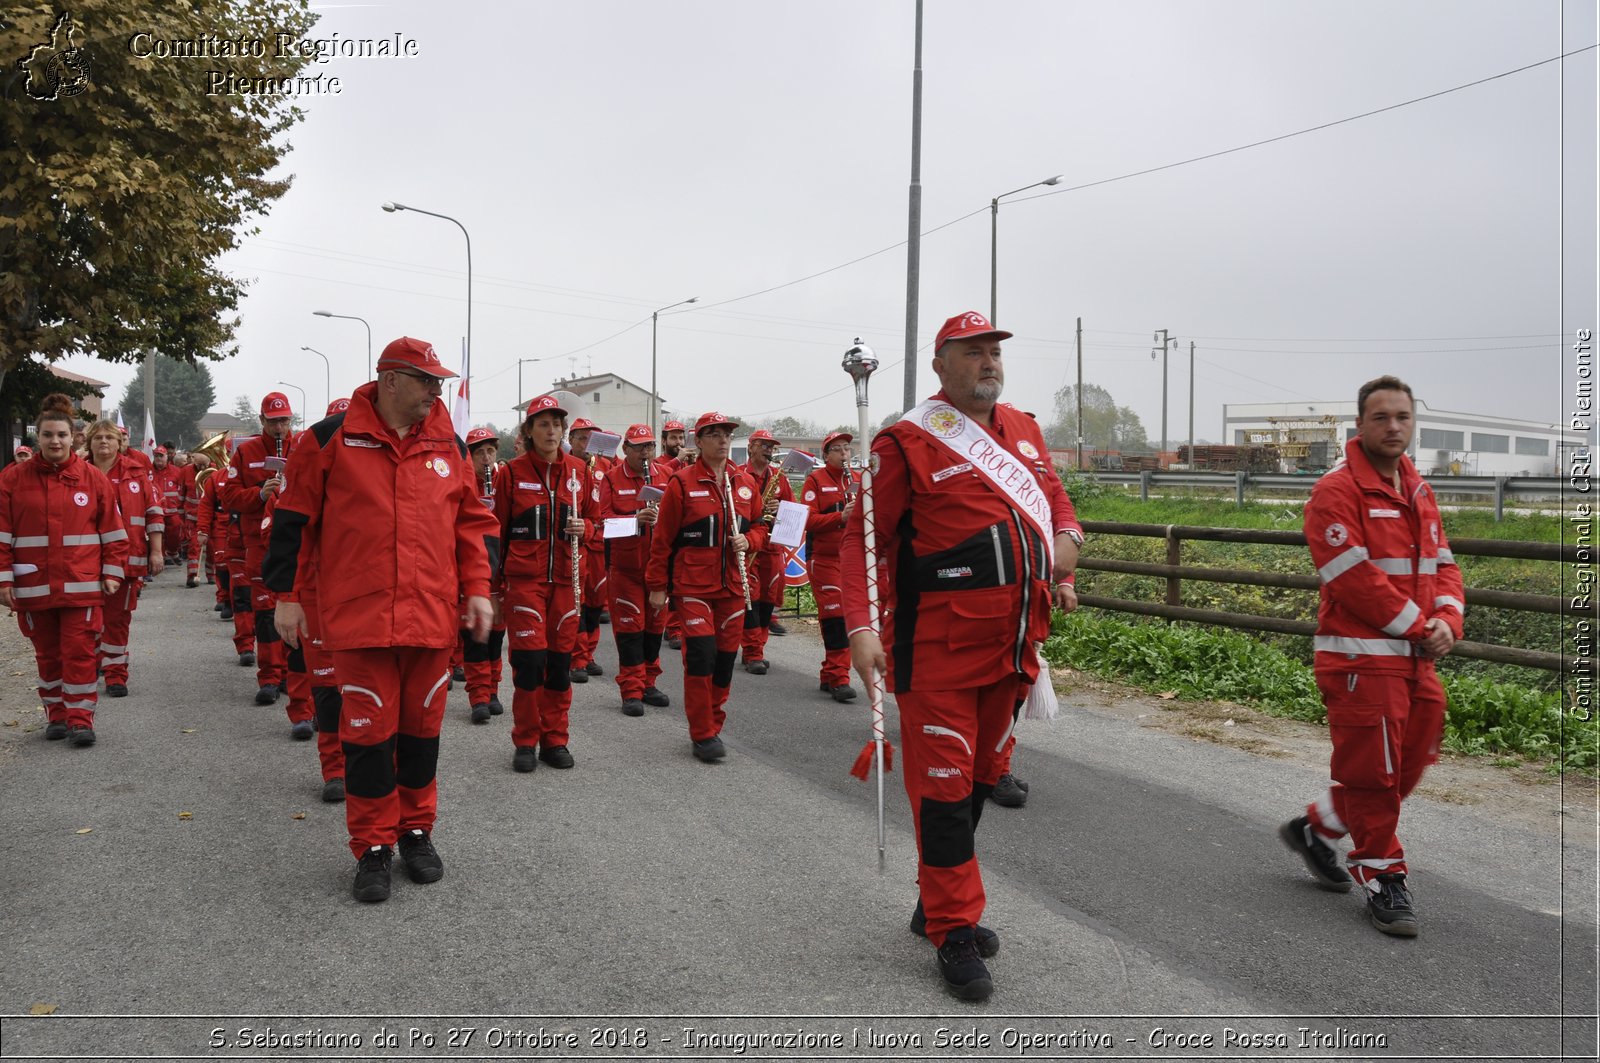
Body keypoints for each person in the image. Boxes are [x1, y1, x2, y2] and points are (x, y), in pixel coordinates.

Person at [842, 311, 1082, 1001]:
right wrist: (860, 627)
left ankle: (935, 897)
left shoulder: (1027, 431)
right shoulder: (905, 441)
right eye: (973, 352)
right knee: (945, 793)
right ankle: (953, 927)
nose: (988, 362)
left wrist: (1067, 552)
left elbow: (1058, 507)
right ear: (941, 364)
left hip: (1013, 647)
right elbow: (857, 543)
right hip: (936, 650)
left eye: (994, 352)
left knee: (978, 782)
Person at [267, 337, 498, 902]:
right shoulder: (328, 440)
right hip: (360, 619)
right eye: (425, 380)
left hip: (430, 618)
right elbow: (292, 521)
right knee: (368, 737)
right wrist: (287, 596)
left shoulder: (452, 446)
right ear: (390, 379)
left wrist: (478, 590)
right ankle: (372, 847)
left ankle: (417, 832)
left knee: (421, 734)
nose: (435, 390)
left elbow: (473, 525)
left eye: (438, 381)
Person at [1279, 375, 1464, 938]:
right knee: (1377, 775)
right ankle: (1383, 875)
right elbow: (1355, 579)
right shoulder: (1337, 492)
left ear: (1413, 422)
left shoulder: (1418, 490)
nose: (1393, 427)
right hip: (1362, 662)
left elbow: (1446, 566)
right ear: (1359, 424)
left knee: (1415, 753)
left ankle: (1320, 826)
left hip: (1415, 659)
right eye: (1381, 417)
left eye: (1402, 417)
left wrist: (1449, 620)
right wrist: (1417, 625)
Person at [0, 395, 130, 747]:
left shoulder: (93, 479)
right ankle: (55, 716)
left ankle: (80, 719)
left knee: (80, 653)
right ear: (37, 438)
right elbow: (2, 534)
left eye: (61, 435)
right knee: (47, 654)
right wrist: (3, 578)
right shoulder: (12, 479)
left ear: (73, 437)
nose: (54, 441)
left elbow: (115, 533)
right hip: (33, 587)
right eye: (47, 435)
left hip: (81, 587)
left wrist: (113, 573)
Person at [646, 412, 766, 763]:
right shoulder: (682, 483)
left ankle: (713, 723)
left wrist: (749, 538)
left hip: (731, 587)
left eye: (726, 434)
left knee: (726, 661)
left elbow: (760, 525)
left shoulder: (743, 482)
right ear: (698, 441)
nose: (723, 440)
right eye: (713, 434)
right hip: (692, 586)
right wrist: (657, 586)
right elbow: (662, 541)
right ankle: (701, 732)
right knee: (701, 656)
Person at [493, 394, 597, 774]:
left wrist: (585, 528)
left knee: (558, 665)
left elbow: (596, 523)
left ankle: (555, 739)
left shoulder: (580, 472)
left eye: (556, 424)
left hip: (567, 584)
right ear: (529, 431)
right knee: (529, 662)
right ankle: (524, 739)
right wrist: (493, 589)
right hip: (525, 583)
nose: (551, 431)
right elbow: (497, 533)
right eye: (543, 424)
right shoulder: (512, 473)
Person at [217, 393, 297, 704]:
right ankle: (269, 677)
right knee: (265, 612)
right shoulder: (246, 451)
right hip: (257, 541)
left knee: (294, 611)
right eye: (274, 420)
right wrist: (260, 495)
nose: (280, 427)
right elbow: (230, 498)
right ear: (262, 421)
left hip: (293, 542)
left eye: (285, 420)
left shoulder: (303, 447)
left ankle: (293, 676)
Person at [596, 423, 671, 716]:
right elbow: (603, 522)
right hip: (625, 569)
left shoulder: (665, 476)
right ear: (625, 449)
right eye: (639, 447)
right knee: (630, 631)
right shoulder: (612, 479)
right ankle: (631, 689)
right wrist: (634, 518)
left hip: (658, 569)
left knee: (654, 630)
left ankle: (648, 683)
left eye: (649, 446)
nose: (645, 453)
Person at [84, 420, 163, 697]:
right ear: (89, 442)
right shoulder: (77, 471)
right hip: (84, 560)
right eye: (98, 437)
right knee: (87, 619)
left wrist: (155, 551)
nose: (104, 441)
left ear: (120, 443)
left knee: (117, 619)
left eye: (110, 437)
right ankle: (90, 667)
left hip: (128, 559)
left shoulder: (137, 472)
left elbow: (153, 512)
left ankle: (116, 674)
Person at [801, 431, 861, 701]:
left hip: (852, 559)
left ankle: (829, 673)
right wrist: (840, 516)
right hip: (823, 559)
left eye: (847, 448)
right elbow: (808, 521)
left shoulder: (860, 480)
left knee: (846, 616)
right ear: (826, 455)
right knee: (837, 616)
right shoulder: (815, 480)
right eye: (837, 449)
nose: (844, 453)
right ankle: (839, 677)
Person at [738, 428, 794, 674]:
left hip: (773, 546)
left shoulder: (779, 478)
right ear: (751, 447)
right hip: (749, 545)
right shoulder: (738, 475)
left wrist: (780, 506)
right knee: (750, 598)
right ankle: (752, 653)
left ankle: (757, 647)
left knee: (768, 600)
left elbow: (793, 511)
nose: (769, 450)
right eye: (764, 445)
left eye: (771, 446)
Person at [461, 426, 507, 725]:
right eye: (480, 453)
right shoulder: (462, 483)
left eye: (491, 451)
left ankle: (492, 689)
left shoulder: (504, 482)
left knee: (496, 635)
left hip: (500, 568)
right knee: (475, 635)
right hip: (473, 567)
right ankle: (478, 695)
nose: (487, 458)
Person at [567, 417, 611, 683]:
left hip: (602, 543)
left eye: (591, 439)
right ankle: (577, 658)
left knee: (595, 605)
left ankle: (589, 654)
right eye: (581, 438)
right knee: (578, 602)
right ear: (571, 440)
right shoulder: (566, 466)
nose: (586, 444)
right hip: (578, 544)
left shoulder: (606, 467)